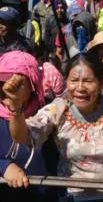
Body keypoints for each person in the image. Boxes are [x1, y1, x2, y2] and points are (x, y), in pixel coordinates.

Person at [5, 53, 103, 201]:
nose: (80, 88)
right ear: (66, 82)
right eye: (74, 80)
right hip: (71, 195)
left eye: (88, 81)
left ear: (101, 83)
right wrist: (16, 106)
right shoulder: (58, 109)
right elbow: (22, 137)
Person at [0, 51, 55, 201]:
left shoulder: (50, 111)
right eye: (2, 81)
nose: (7, 88)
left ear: (33, 83)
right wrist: (3, 166)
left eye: (15, 82)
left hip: (45, 194)